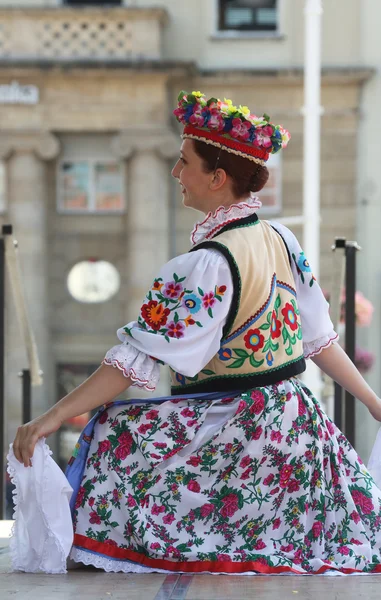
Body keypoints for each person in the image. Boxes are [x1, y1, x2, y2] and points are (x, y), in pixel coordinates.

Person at [12, 90, 381, 575]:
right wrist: (374, 402)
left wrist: (52, 418)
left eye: (183, 162)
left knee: (112, 433)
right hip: (299, 430)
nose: (175, 173)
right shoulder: (281, 239)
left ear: (217, 177)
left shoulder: (205, 265)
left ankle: (134, 545)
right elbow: (319, 342)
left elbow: (130, 363)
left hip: (243, 429)